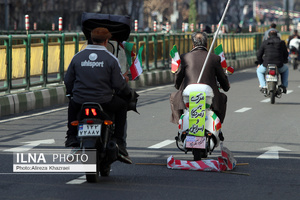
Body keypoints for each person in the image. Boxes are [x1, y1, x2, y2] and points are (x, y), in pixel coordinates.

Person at [64, 27, 132, 161]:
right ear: (107, 41)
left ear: (91, 39)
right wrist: (126, 91)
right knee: (122, 106)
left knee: (72, 103)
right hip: (104, 101)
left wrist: (72, 92)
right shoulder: (111, 59)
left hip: (80, 100)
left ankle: (72, 137)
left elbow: (68, 80)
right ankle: (120, 142)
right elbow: (118, 84)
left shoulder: (77, 57)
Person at [170, 32, 230, 128]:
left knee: (173, 96)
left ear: (193, 44)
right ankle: (217, 128)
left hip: (188, 95)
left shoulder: (185, 57)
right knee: (223, 97)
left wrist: (178, 84)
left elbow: (177, 83)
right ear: (206, 44)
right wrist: (226, 85)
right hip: (210, 97)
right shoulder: (214, 58)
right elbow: (223, 80)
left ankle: (180, 125)